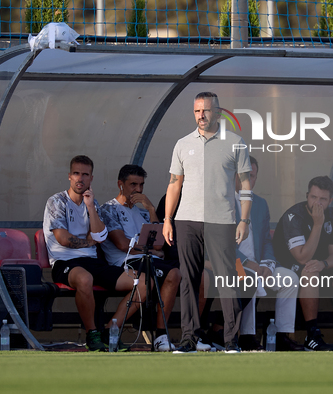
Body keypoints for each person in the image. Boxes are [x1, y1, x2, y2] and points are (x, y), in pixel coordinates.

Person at [163, 92, 252, 353]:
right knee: (189, 281)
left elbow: (245, 184)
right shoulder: (182, 143)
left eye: (206, 110)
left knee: (227, 281)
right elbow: (173, 184)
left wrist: (244, 219)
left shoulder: (236, 142)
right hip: (186, 221)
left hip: (222, 220)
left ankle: (230, 341)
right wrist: (167, 220)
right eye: (197, 111)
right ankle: (188, 338)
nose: (201, 116)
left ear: (219, 112)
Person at [43, 156, 147, 352]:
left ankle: (110, 330)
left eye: (85, 174)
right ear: (69, 176)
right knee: (85, 278)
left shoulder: (93, 203)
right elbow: (63, 239)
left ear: (91, 178)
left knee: (142, 282)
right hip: (64, 262)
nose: (80, 178)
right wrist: (89, 241)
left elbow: (99, 235)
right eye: (76, 173)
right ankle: (92, 334)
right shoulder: (57, 201)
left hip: (92, 261)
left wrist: (90, 207)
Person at [99, 164, 181, 352]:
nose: (138, 189)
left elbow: (159, 244)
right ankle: (156, 334)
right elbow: (121, 243)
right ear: (121, 184)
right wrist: (149, 249)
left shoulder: (143, 212)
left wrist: (151, 208)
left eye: (141, 185)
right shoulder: (108, 209)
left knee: (181, 272)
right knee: (171, 274)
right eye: (133, 184)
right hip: (125, 262)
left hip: (148, 259)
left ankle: (165, 335)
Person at [234, 157, 303, 352]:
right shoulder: (225, 202)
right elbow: (222, 244)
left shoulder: (261, 204)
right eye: (244, 176)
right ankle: (247, 337)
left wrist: (267, 263)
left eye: (252, 176)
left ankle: (282, 337)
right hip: (234, 263)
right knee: (250, 278)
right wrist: (248, 262)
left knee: (290, 279)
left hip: (259, 264)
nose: (248, 180)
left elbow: (266, 240)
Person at [273, 176, 333, 351]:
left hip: (319, 266)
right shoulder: (294, 216)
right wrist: (317, 224)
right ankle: (312, 335)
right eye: (314, 197)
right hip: (290, 268)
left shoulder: (332, 214)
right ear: (307, 195)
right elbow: (302, 257)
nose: (317, 203)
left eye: (323, 199)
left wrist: (324, 263)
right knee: (310, 271)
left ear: (330, 200)